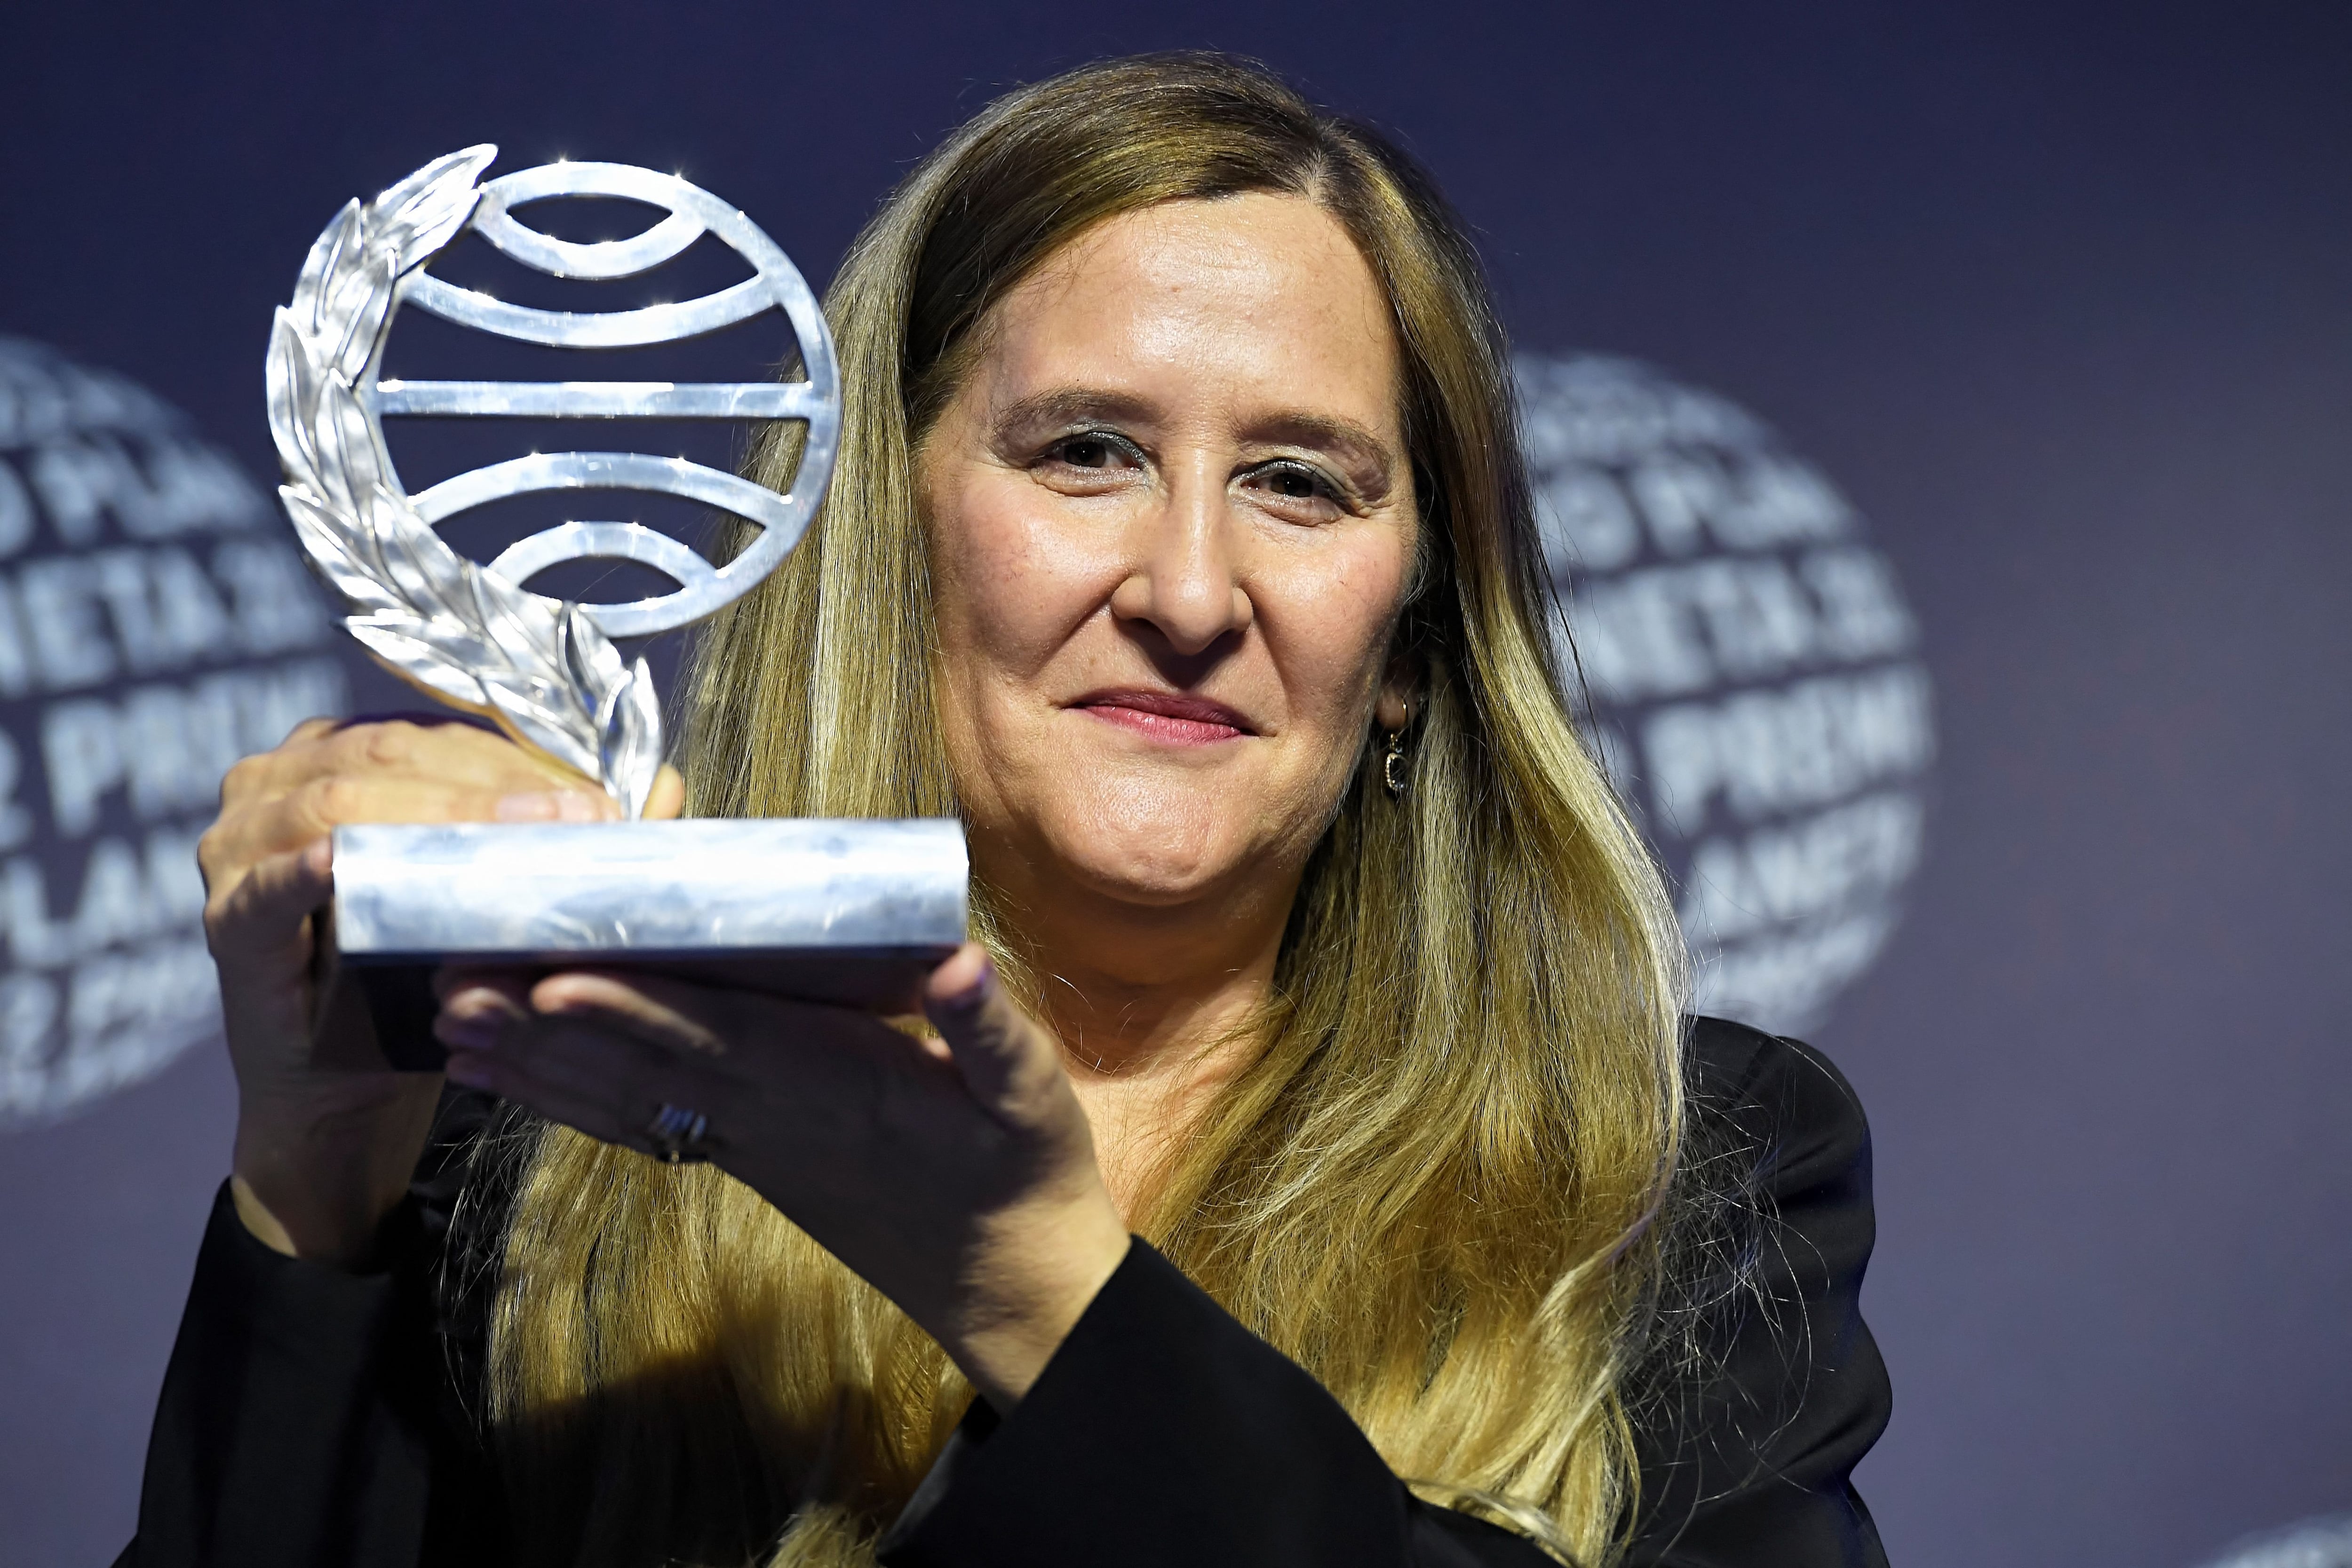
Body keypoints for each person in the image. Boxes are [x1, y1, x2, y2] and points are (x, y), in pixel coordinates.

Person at [121, 52, 1888, 1568]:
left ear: (1412, 639)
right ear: (892, 547)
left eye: (1297, 481)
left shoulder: (1682, 1179)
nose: (1190, 589)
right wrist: (320, 1175)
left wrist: (1034, 1282)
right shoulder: (539, 1120)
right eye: (1084, 453)